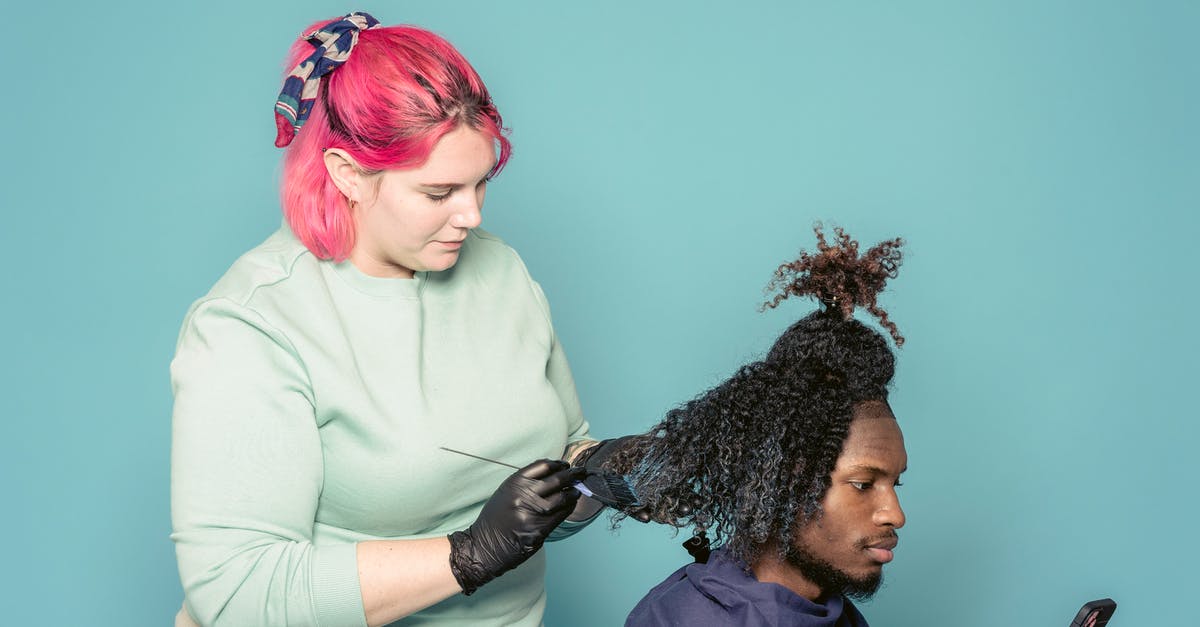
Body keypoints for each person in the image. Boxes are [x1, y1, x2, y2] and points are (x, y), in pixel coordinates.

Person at [170, 13, 607, 627]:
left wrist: (601, 476)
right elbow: (239, 594)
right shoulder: (250, 326)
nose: (472, 216)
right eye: (439, 193)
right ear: (347, 173)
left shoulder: (501, 272)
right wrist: (468, 556)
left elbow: (561, 451)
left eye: (481, 183)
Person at [608, 226, 909, 626]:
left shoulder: (837, 615)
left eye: (895, 483)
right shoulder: (684, 619)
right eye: (863, 484)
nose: (895, 514)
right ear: (786, 481)